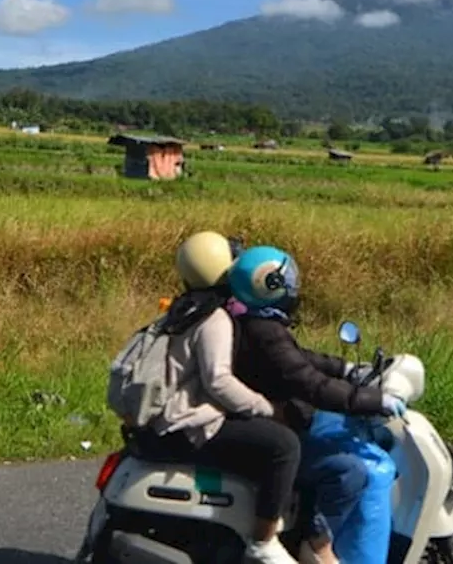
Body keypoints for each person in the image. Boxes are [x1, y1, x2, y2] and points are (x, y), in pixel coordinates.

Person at [131, 231, 304, 564]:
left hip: (168, 418)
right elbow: (219, 381)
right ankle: (263, 541)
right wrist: (265, 407)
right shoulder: (214, 318)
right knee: (285, 445)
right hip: (186, 423)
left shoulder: (183, 309)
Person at [226, 244, 406, 564]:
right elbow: (311, 385)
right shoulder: (263, 332)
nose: (295, 288)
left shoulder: (251, 321)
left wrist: (345, 369)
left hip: (280, 417)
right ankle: (314, 545)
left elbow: (299, 360)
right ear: (271, 286)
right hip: (280, 424)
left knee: (338, 433)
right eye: (289, 281)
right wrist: (373, 400)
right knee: (348, 471)